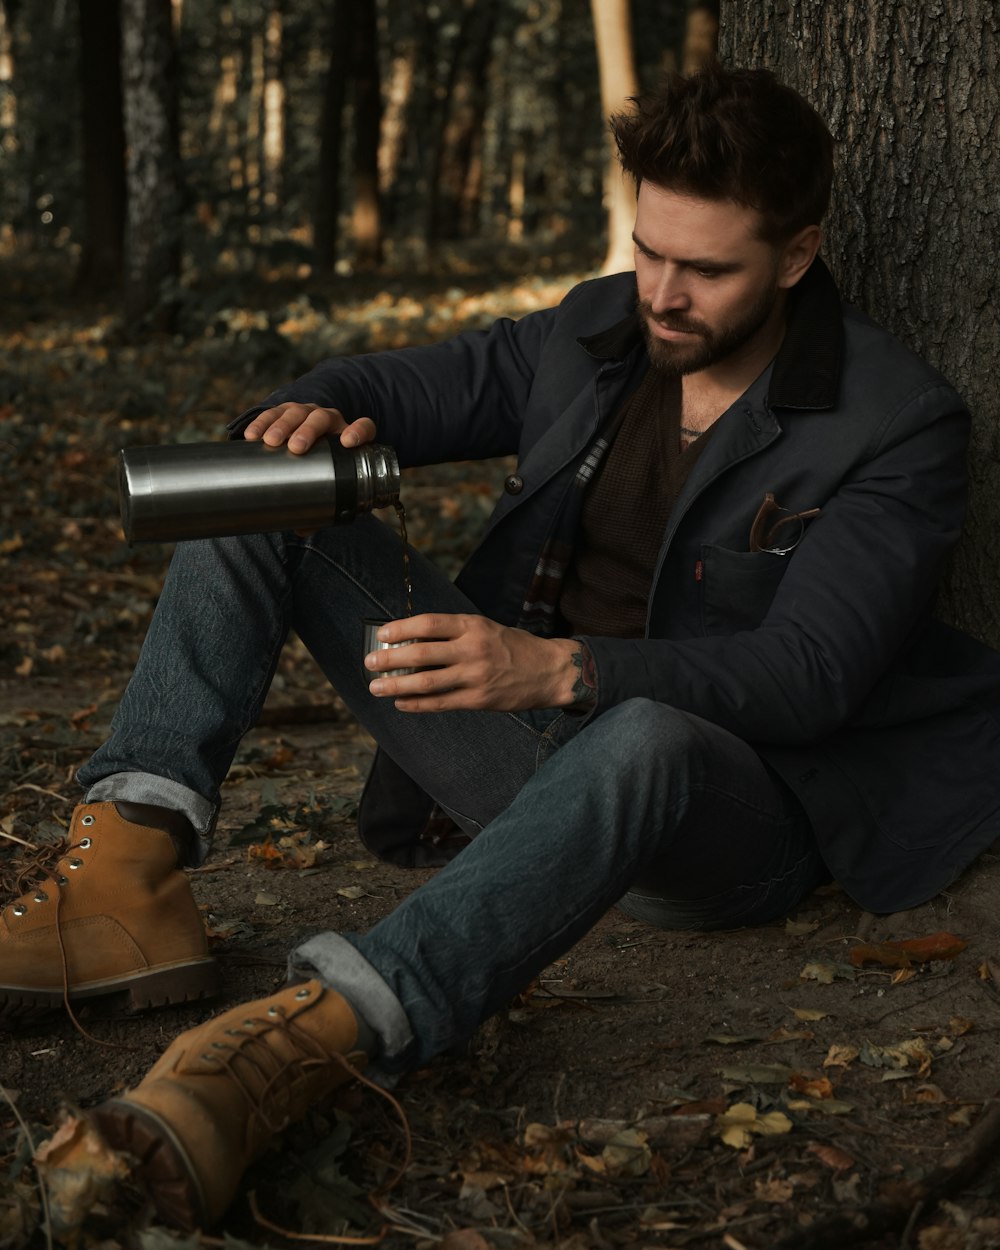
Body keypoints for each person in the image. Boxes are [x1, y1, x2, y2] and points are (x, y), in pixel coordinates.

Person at [6, 63, 1000, 1230]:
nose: (664, 295)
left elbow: (810, 675)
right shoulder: (596, 329)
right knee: (266, 489)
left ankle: (307, 1041)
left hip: (722, 810)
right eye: (652, 252)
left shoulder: (896, 421)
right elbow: (395, 384)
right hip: (526, 741)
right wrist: (311, 407)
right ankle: (125, 876)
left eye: (708, 269)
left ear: (794, 256)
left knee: (641, 736)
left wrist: (562, 665)